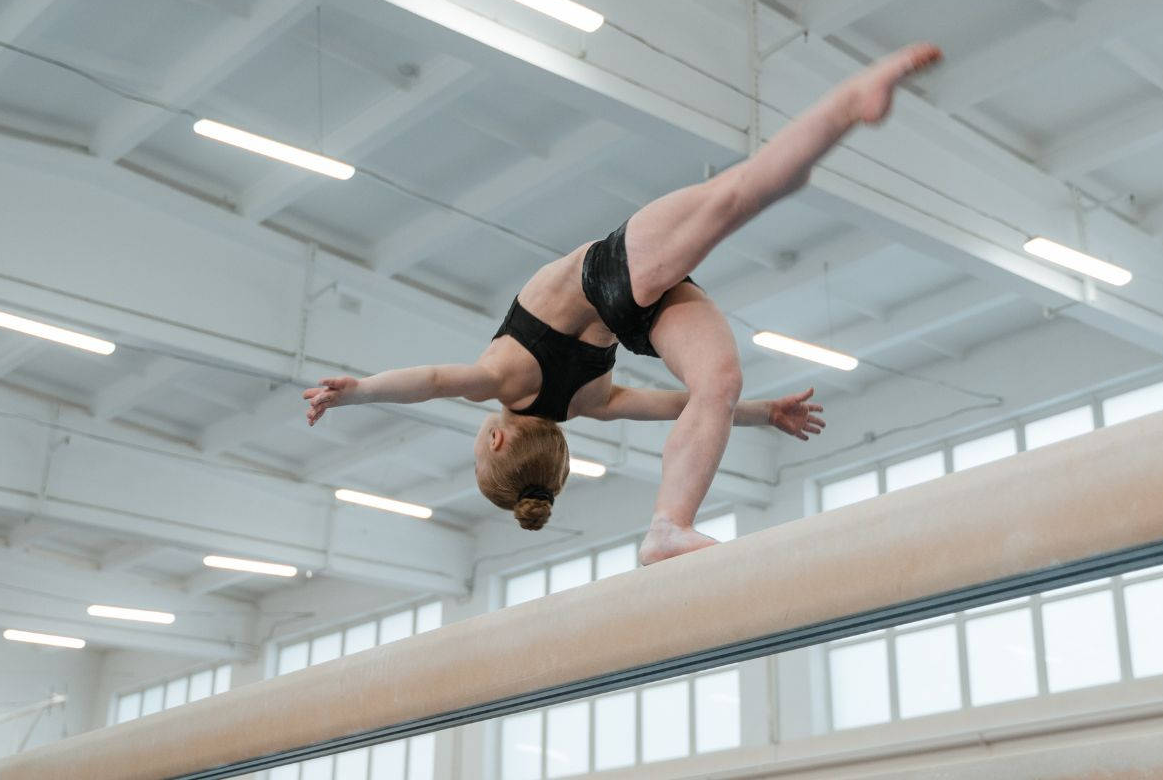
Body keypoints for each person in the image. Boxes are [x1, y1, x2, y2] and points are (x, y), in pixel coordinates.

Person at [303, 43, 942, 564]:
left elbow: (674, 406)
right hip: (611, 278)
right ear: (496, 439)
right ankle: (846, 105)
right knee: (736, 197)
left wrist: (759, 415)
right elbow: (434, 381)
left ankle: (670, 524)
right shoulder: (508, 380)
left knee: (715, 382)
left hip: (635, 311)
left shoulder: (587, 405)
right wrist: (356, 391)